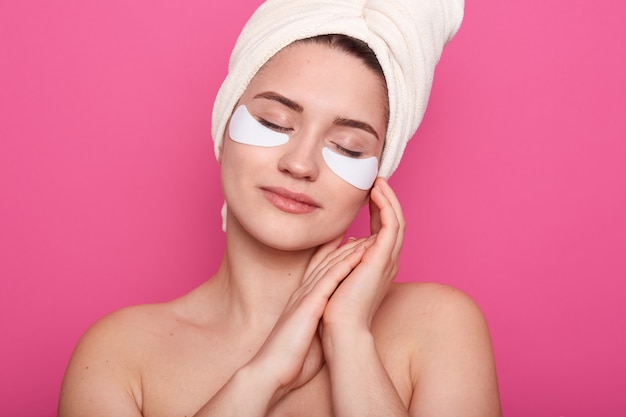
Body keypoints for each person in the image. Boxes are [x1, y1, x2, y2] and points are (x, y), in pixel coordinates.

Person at [59, 0, 501, 415]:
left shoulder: (439, 327)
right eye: (274, 122)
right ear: (223, 125)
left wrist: (349, 337)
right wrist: (264, 374)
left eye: (348, 148)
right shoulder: (119, 355)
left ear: (378, 175)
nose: (300, 164)